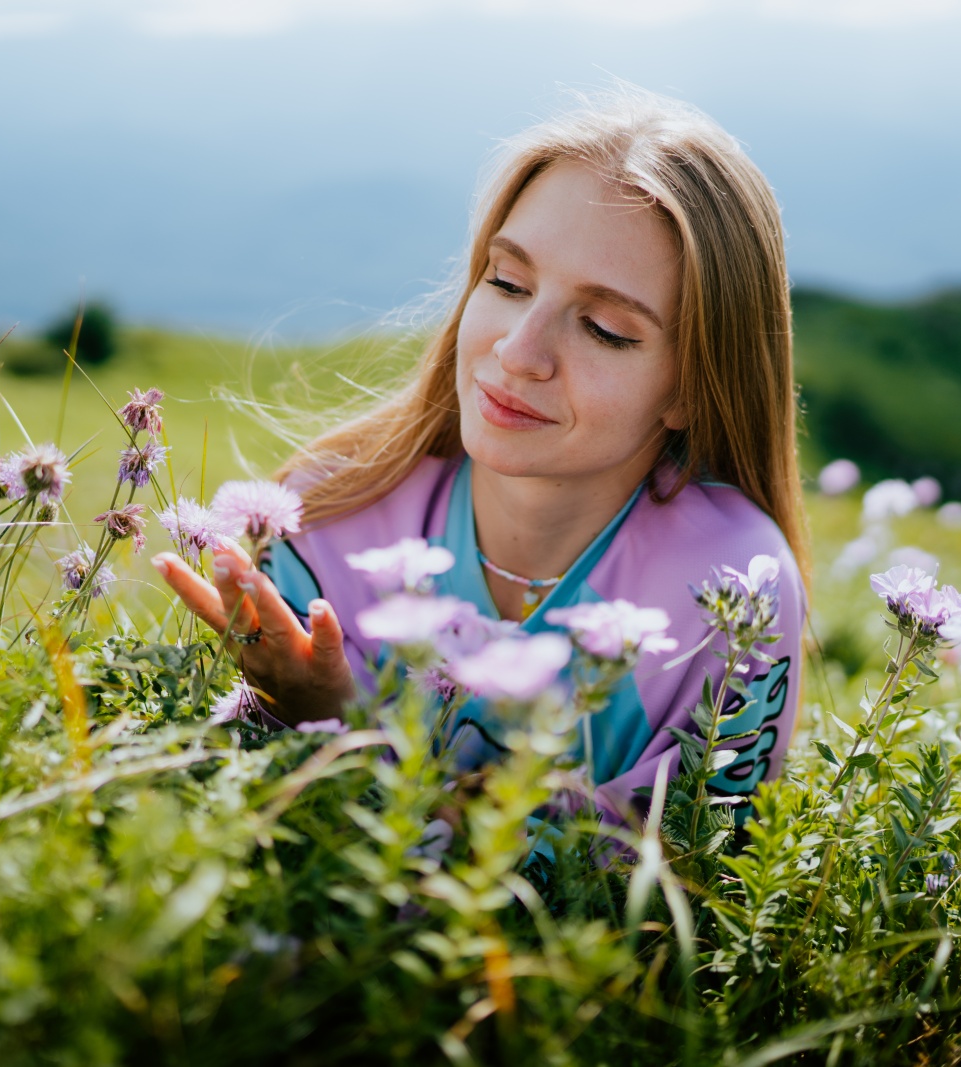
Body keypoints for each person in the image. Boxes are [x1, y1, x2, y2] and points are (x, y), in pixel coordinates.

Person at [154, 88, 808, 822]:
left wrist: (350, 743)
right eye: (507, 282)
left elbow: (685, 867)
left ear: (692, 386)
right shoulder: (323, 524)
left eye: (604, 328)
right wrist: (293, 717)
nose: (519, 351)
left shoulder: (731, 591)